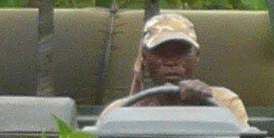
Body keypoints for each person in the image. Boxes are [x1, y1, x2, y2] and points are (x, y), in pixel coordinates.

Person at [102, 9, 249, 121]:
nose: (172, 62)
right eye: (160, 53)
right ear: (145, 59)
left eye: (181, 52)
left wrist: (205, 108)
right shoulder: (120, 112)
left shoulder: (226, 103)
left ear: (196, 56)